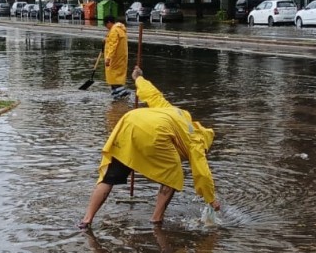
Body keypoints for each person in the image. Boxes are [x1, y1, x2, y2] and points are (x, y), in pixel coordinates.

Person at [79, 66, 221, 228]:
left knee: (109, 176)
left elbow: (154, 95)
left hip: (130, 122)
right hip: (154, 132)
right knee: (174, 176)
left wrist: (138, 78)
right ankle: (156, 218)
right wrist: (211, 200)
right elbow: (202, 174)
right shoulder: (197, 142)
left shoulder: (176, 112)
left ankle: (86, 219)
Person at [102, 15, 129, 100]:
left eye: (106, 25)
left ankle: (120, 91)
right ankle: (116, 92)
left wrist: (108, 58)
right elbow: (112, 41)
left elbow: (113, 45)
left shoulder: (114, 30)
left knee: (113, 75)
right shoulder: (119, 29)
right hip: (120, 57)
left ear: (109, 22)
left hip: (114, 58)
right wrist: (106, 40)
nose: (106, 27)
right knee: (117, 75)